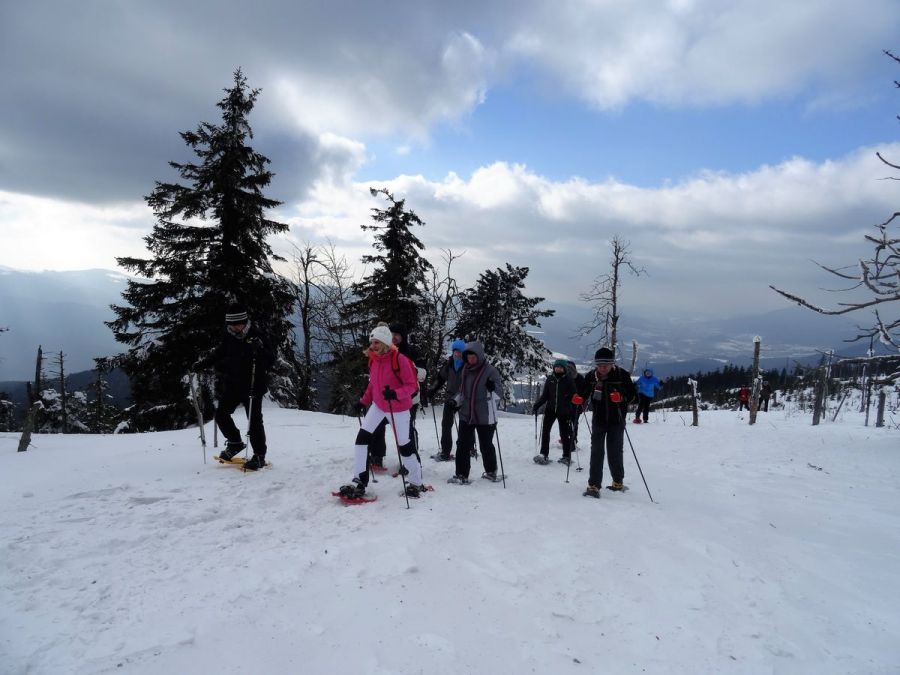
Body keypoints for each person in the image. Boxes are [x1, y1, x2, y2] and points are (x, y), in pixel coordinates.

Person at [337, 324, 426, 500]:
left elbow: (412, 386)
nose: (373, 345)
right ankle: (359, 481)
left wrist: (395, 393)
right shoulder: (373, 359)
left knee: (405, 447)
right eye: (372, 342)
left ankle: (416, 483)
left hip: (398, 408)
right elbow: (373, 384)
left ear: (385, 343)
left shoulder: (399, 359)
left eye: (376, 342)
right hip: (379, 405)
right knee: (362, 439)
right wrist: (362, 402)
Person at [193, 303, 275, 471]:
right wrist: (201, 364)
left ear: (244, 322)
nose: (234, 327)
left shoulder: (257, 335)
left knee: (253, 422)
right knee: (221, 415)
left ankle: (259, 456)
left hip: (254, 385)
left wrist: (259, 350)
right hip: (233, 384)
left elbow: (271, 360)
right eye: (231, 324)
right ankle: (235, 442)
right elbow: (220, 352)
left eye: (237, 324)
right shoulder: (229, 335)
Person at [577, 347, 637, 497]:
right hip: (598, 419)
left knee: (615, 451)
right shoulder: (591, 376)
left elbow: (634, 396)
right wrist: (579, 399)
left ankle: (618, 482)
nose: (603, 368)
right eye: (599, 365)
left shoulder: (622, 375)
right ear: (595, 364)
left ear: (612, 364)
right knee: (596, 452)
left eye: (606, 364)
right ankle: (594, 486)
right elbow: (583, 392)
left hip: (617, 420)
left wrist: (621, 398)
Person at [367, 323, 424, 471]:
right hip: (385, 399)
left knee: (406, 432)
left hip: (409, 400)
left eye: (397, 334)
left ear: (403, 336)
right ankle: (377, 457)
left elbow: (423, 374)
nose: (394, 337)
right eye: (391, 334)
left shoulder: (412, 352)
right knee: (377, 427)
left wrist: (408, 367)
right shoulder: (384, 352)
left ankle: (410, 462)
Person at [447, 341, 503, 484]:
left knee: (486, 445)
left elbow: (499, 395)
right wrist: (455, 401)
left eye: (473, 357)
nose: (470, 360)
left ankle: (491, 471)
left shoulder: (490, 371)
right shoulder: (466, 370)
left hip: (485, 415)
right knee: (462, 445)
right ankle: (461, 474)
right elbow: (463, 392)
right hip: (467, 413)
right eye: (468, 357)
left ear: (479, 356)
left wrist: (492, 388)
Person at [426, 338, 466, 461]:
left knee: (466, 425)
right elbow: (440, 379)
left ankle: (468, 449)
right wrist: (432, 390)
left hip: (464, 399)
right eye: (455, 351)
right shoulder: (449, 364)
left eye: (459, 351)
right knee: (446, 424)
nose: (457, 354)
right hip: (450, 398)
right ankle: (445, 452)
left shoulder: (467, 365)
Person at [533, 359, 578, 465]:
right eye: (556, 367)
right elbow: (545, 396)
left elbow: (574, 394)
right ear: (554, 368)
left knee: (564, 434)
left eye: (560, 367)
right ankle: (544, 454)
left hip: (564, 411)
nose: (558, 369)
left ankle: (566, 456)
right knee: (545, 432)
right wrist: (537, 405)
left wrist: (574, 406)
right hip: (550, 410)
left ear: (564, 368)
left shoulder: (569, 380)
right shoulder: (550, 379)